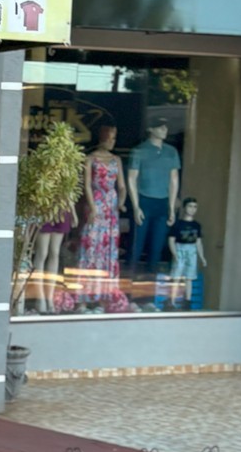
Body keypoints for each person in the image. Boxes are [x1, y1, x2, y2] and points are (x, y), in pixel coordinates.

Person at [126, 118, 180, 309]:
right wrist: (136, 205)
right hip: (144, 200)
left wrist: (172, 207)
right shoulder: (139, 151)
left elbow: (174, 180)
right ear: (150, 129)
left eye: (166, 126)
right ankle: (129, 296)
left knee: (156, 252)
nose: (164, 129)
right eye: (160, 126)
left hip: (162, 203)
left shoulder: (171, 152)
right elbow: (132, 178)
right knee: (135, 249)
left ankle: (147, 298)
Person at [76, 123, 127, 312]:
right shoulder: (90, 159)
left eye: (115, 138)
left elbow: (121, 185)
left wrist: (121, 202)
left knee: (108, 248)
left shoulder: (116, 160)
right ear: (103, 138)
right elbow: (87, 185)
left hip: (111, 205)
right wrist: (91, 206)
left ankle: (104, 297)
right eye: (111, 138)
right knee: (91, 244)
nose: (113, 142)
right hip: (97, 202)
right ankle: (84, 297)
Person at [168, 196, 206, 310]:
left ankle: (187, 301)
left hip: (192, 251)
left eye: (195, 207)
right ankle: (172, 301)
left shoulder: (197, 225)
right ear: (184, 207)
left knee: (189, 278)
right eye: (190, 206)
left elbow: (199, 242)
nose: (192, 209)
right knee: (177, 277)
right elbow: (171, 240)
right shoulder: (178, 224)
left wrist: (202, 257)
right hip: (180, 249)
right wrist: (175, 254)